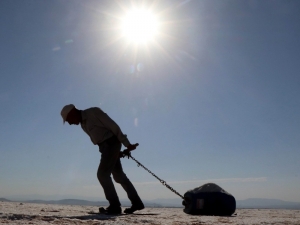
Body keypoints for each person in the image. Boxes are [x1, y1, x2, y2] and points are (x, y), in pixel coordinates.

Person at [60, 104, 144, 214]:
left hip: (111, 145)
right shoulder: (83, 124)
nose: (70, 123)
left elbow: (113, 126)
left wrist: (126, 144)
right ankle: (137, 203)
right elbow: (101, 139)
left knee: (102, 174)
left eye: (68, 120)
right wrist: (115, 152)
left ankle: (115, 206)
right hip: (107, 148)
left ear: (72, 113)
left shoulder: (93, 112)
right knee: (119, 176)